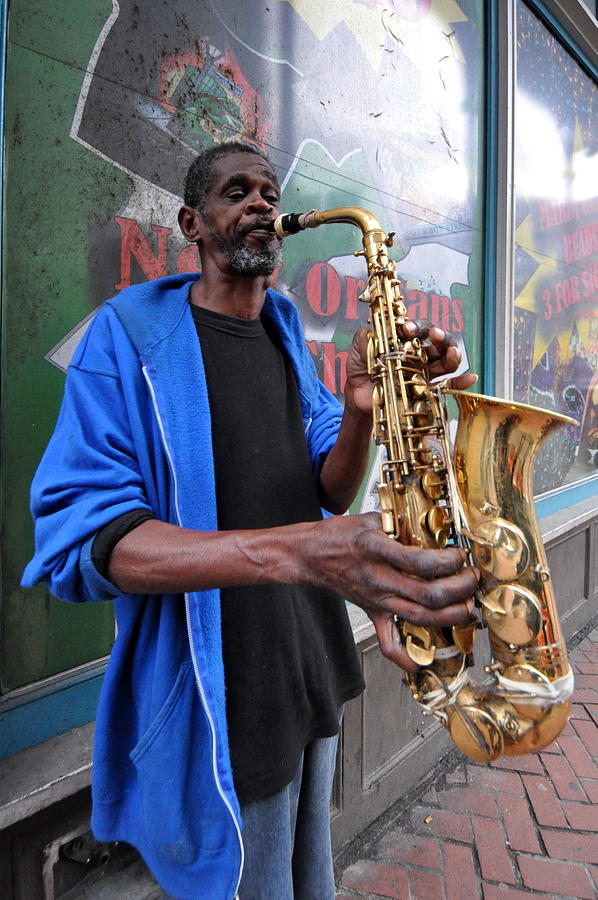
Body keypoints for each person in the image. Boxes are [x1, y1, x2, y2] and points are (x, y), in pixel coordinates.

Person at [22, 142, 479, 900]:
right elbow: (82, 541)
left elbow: (330, 493)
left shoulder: (284, 328)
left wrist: (363, 409)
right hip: (227, 694)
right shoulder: (127, 337)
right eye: (239, 192)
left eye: (270, 191)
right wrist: (299, 554)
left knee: (309, 883)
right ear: (191, 223)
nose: (264, 204)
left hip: (312, 666)